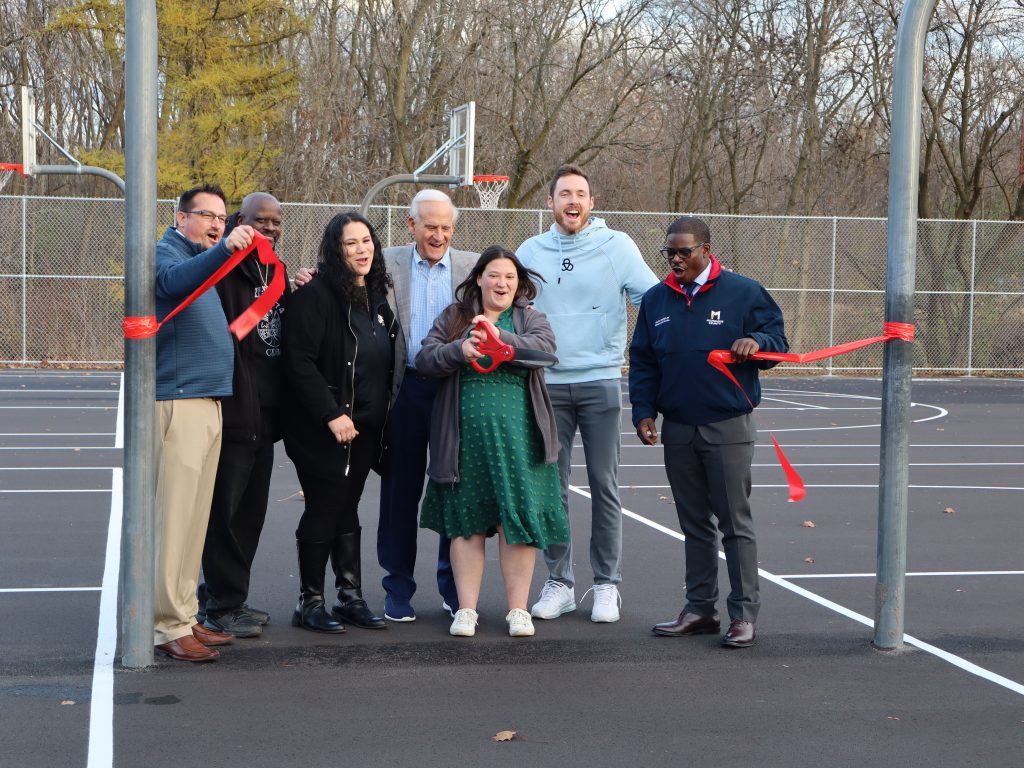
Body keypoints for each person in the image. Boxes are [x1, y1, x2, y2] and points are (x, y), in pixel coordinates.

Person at [295, 190, 478, 622]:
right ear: (411, 225)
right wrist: (306, 278)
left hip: (457, 391)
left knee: (453, 491)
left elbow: (511, 292)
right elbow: (336, 278)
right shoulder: (385, 263)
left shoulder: (473, 267)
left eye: (446, 227)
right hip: (407, 392)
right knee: (399, 493)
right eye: (429, 226)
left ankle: (454, 590)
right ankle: (397, 587)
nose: (438, 235)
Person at [628, 215, 788, 648]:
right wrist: (643, 411)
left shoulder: (743, 291)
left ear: (706, 249)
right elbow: (642, 359)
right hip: (679, 428)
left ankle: (744, 615)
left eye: (684, 252)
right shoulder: (657, 300)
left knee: (735, 523)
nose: (675, 260)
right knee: (694, 523)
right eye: (669, 252)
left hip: (726, 425)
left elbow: (777, 340)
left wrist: (757, 342)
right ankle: (700, 609)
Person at [516, 164, 658, 623]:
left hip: (599, 381)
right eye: (563, 194)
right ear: (550, 202)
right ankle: (559, 581)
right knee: (550, 488)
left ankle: (606, 585)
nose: (572, 201)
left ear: (592, 203)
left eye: (580, 194)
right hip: (546, 384)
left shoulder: (617, 246)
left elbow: (654, 300)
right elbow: (506, 306)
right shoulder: (530, 251)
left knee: (604, 485)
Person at [415, 246, 567, 638]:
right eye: (494, 275)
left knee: (516, 522)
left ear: (519, 285)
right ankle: (466, 610)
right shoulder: (454, 316)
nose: (502, 283)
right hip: (465, 442)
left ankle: (518, 611)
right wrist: (458, 350)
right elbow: (426, 359)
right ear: (479, 277)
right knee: (467, 525)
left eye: (510, 277)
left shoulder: (529, 318)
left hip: (520, 442)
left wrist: (503, 340)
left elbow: (546, 352)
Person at [283, 212, 400, 633]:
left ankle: (349, 596)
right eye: (350, 243)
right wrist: (332, 413)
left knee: (347, 507)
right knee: (326, 506)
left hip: (366, 428)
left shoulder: (376, 297)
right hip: (323, 429)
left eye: (366, 240)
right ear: (335, 249)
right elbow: (298, 361)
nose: (361, 249)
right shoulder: (314, 296)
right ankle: (309, 602)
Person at [154, 184, 254, 662]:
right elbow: (172, 284)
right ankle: (165, 625)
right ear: (180, 217)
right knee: (175, 519)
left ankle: (184, 612)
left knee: (194, 521)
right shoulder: (166, 253)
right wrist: (220, 250)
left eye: (221, 217)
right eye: (206, 215)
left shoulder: (201, 256)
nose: (217, 223)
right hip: (179, 401)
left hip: (207, 402)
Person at [198, 192, 289, 639]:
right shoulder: (223, 266)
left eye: (275, 221)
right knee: (224, 514)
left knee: (251, 513)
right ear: (241, 221)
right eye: (260, 220)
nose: (269, 228)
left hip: (266, 417)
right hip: (234, 411)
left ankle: (232, 596)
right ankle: (219, 602)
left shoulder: (276, 270)